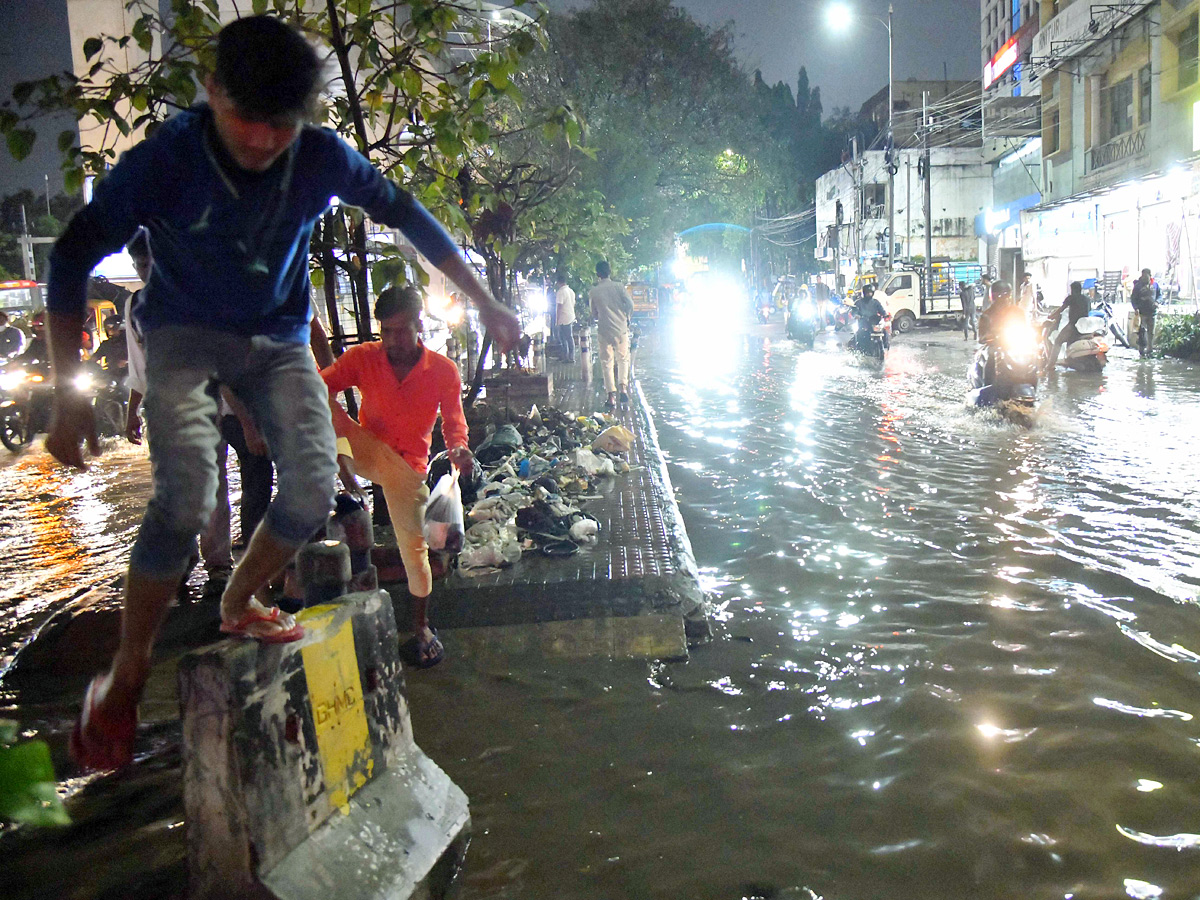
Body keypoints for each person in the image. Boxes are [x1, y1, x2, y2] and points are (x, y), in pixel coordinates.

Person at [46, 15, 519, 772]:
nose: (264, 141)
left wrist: (485, 297)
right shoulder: (168, 159)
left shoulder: (321, 155)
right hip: (183, 334)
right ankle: (130, 668)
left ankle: (239, 601)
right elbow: (71, 253)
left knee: (309, 491)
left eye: (281, 126)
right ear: (211, 92)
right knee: (188, 492)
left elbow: (407, 216)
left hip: (277, 339)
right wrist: (69, 396)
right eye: (246, 120)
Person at [321, 285, 470, 668]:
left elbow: (454, 425)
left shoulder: (442, 370)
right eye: (385, 331)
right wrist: (340, 447)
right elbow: (320, 388)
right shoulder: (363, 358)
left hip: (407, 469)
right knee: (313, 392)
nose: (392, 340)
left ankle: (420, 627)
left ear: (420, 325)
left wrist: (459, 451)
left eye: (400, 331)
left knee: (414, 550)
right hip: (365, 450)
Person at [588, 260, 634, 410]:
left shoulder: (594, 291)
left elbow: (593, 313)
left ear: (598, 274)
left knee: (606, 362)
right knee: (623, 359)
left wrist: (600, 316)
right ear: (610, 272)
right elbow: (630, 304)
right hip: (621, 329)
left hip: (604, 330)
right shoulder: (619, 287)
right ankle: (623, 388)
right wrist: (626, 317)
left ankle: (611, 396)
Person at [1046, 281, 1092, 369]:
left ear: (1073, 290)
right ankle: (1069, 360)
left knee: (1058, 341)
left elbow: (1061, 309)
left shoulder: (1071, 298)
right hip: (1084, 326)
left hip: (1073, 325)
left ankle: (1050, 365)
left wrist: (1051, 316)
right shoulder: (1086, 299)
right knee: (1069, 341)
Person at [977, 280, 1024, 344]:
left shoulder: (1017, 311)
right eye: (998, 296)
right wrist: (989, 336)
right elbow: (982, 336)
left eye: (1005, 296)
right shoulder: (986, 315)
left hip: (1014, 345)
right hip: (994, 347)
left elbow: (1025, 329)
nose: (1002, 299)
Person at [852, 284, 891, 350]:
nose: (869, 294)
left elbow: (881, 310)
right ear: (864, 293)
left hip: (874, 322)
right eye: (867, 293)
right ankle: (860, 348)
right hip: (863, 322)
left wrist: (885, 315)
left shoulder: (876, 302)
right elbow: (854, 310)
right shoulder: (859, 302)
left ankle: (886, 345)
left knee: (884, 330)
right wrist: (856, 315)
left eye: (870, 293)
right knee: (859, 333)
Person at [1131, 268, 1159, 358]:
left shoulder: (1155, 285)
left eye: (1147, 276)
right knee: (1142, 332)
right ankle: (1141, 350)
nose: (1145, 278)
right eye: (1143, 276)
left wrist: (1157, 302)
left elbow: (1160, 295)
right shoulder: (1138, 286)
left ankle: (1150, 350)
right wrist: (1136, 308)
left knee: (1151, 332)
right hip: (1142, 313)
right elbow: (1133, 299)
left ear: (1150, 276)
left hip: (1152, 312)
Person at [554, 275, 576, 363]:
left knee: (564, 338)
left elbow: (559, 306)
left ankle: (568, 357)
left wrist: (557, 320)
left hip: (563, 317)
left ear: (559, 282)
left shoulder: (561, 292)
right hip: (570, 316)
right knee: (568, 337)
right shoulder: (571, 291)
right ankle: (569, 356)